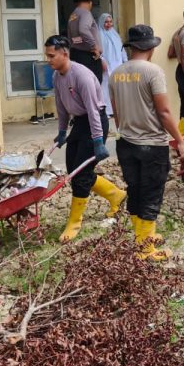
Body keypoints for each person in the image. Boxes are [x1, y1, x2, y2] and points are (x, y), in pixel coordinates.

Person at [109, 25, 184, 261]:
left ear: (131, 47)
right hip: (152, 145)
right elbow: (164, 112)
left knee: (135, 189)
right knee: (152, 193)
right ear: (151, 47)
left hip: (126, 143)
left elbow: (116, 113)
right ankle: (146, 250)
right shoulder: (153, 72)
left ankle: (141, 238)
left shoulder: (116, 73)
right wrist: (180, 141)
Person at [44, 35, 126, 242]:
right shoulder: (57, 76)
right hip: (79, 123)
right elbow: (61, 106)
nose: (48, 60)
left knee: (80, 175)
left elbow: (93, 109)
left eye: (51, 55)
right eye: (47, 56)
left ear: (65, 53)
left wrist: (98, 141)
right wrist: (62, 131)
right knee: (74, 170)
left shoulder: (82, 76)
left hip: (95, 122)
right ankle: (116, 194)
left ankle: (74, 222)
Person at [67, 0, 104, 83]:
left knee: (79, 85)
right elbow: (83, 29)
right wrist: (94, 46)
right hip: (88, 56)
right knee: (93, 85)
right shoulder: (85, 13)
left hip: (76, 54)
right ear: (90, 2)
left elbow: (71, 36)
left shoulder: (73, 15)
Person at [98, 13, 127, 117]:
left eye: (110, 22)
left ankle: (117, 109)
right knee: (106, 87)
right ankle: (107, 111)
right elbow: (97, 51)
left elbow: (121, 49)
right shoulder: (98, 34)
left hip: (117, 64)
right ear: (101, 22)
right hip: (106, 65)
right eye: (106, 22)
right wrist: (101, 61)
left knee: (117, 86)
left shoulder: (115, 34)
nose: (108, 24)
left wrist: (125, 61)